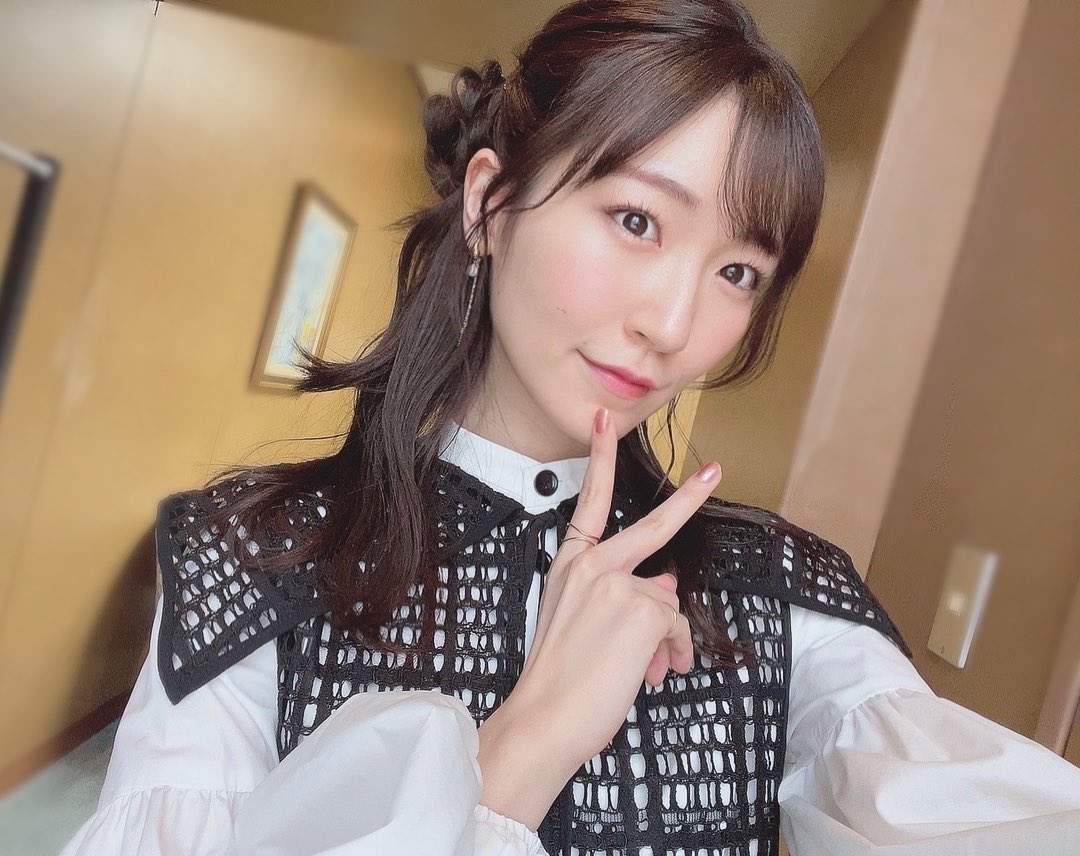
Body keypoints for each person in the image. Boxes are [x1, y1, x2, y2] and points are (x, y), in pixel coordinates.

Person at [60, 1, 1080, 854]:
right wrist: (525, 746)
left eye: (738, 271)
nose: (673, 324)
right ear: (490, 203)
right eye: (637, 220)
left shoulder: (779, 597)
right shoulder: (254, 558)